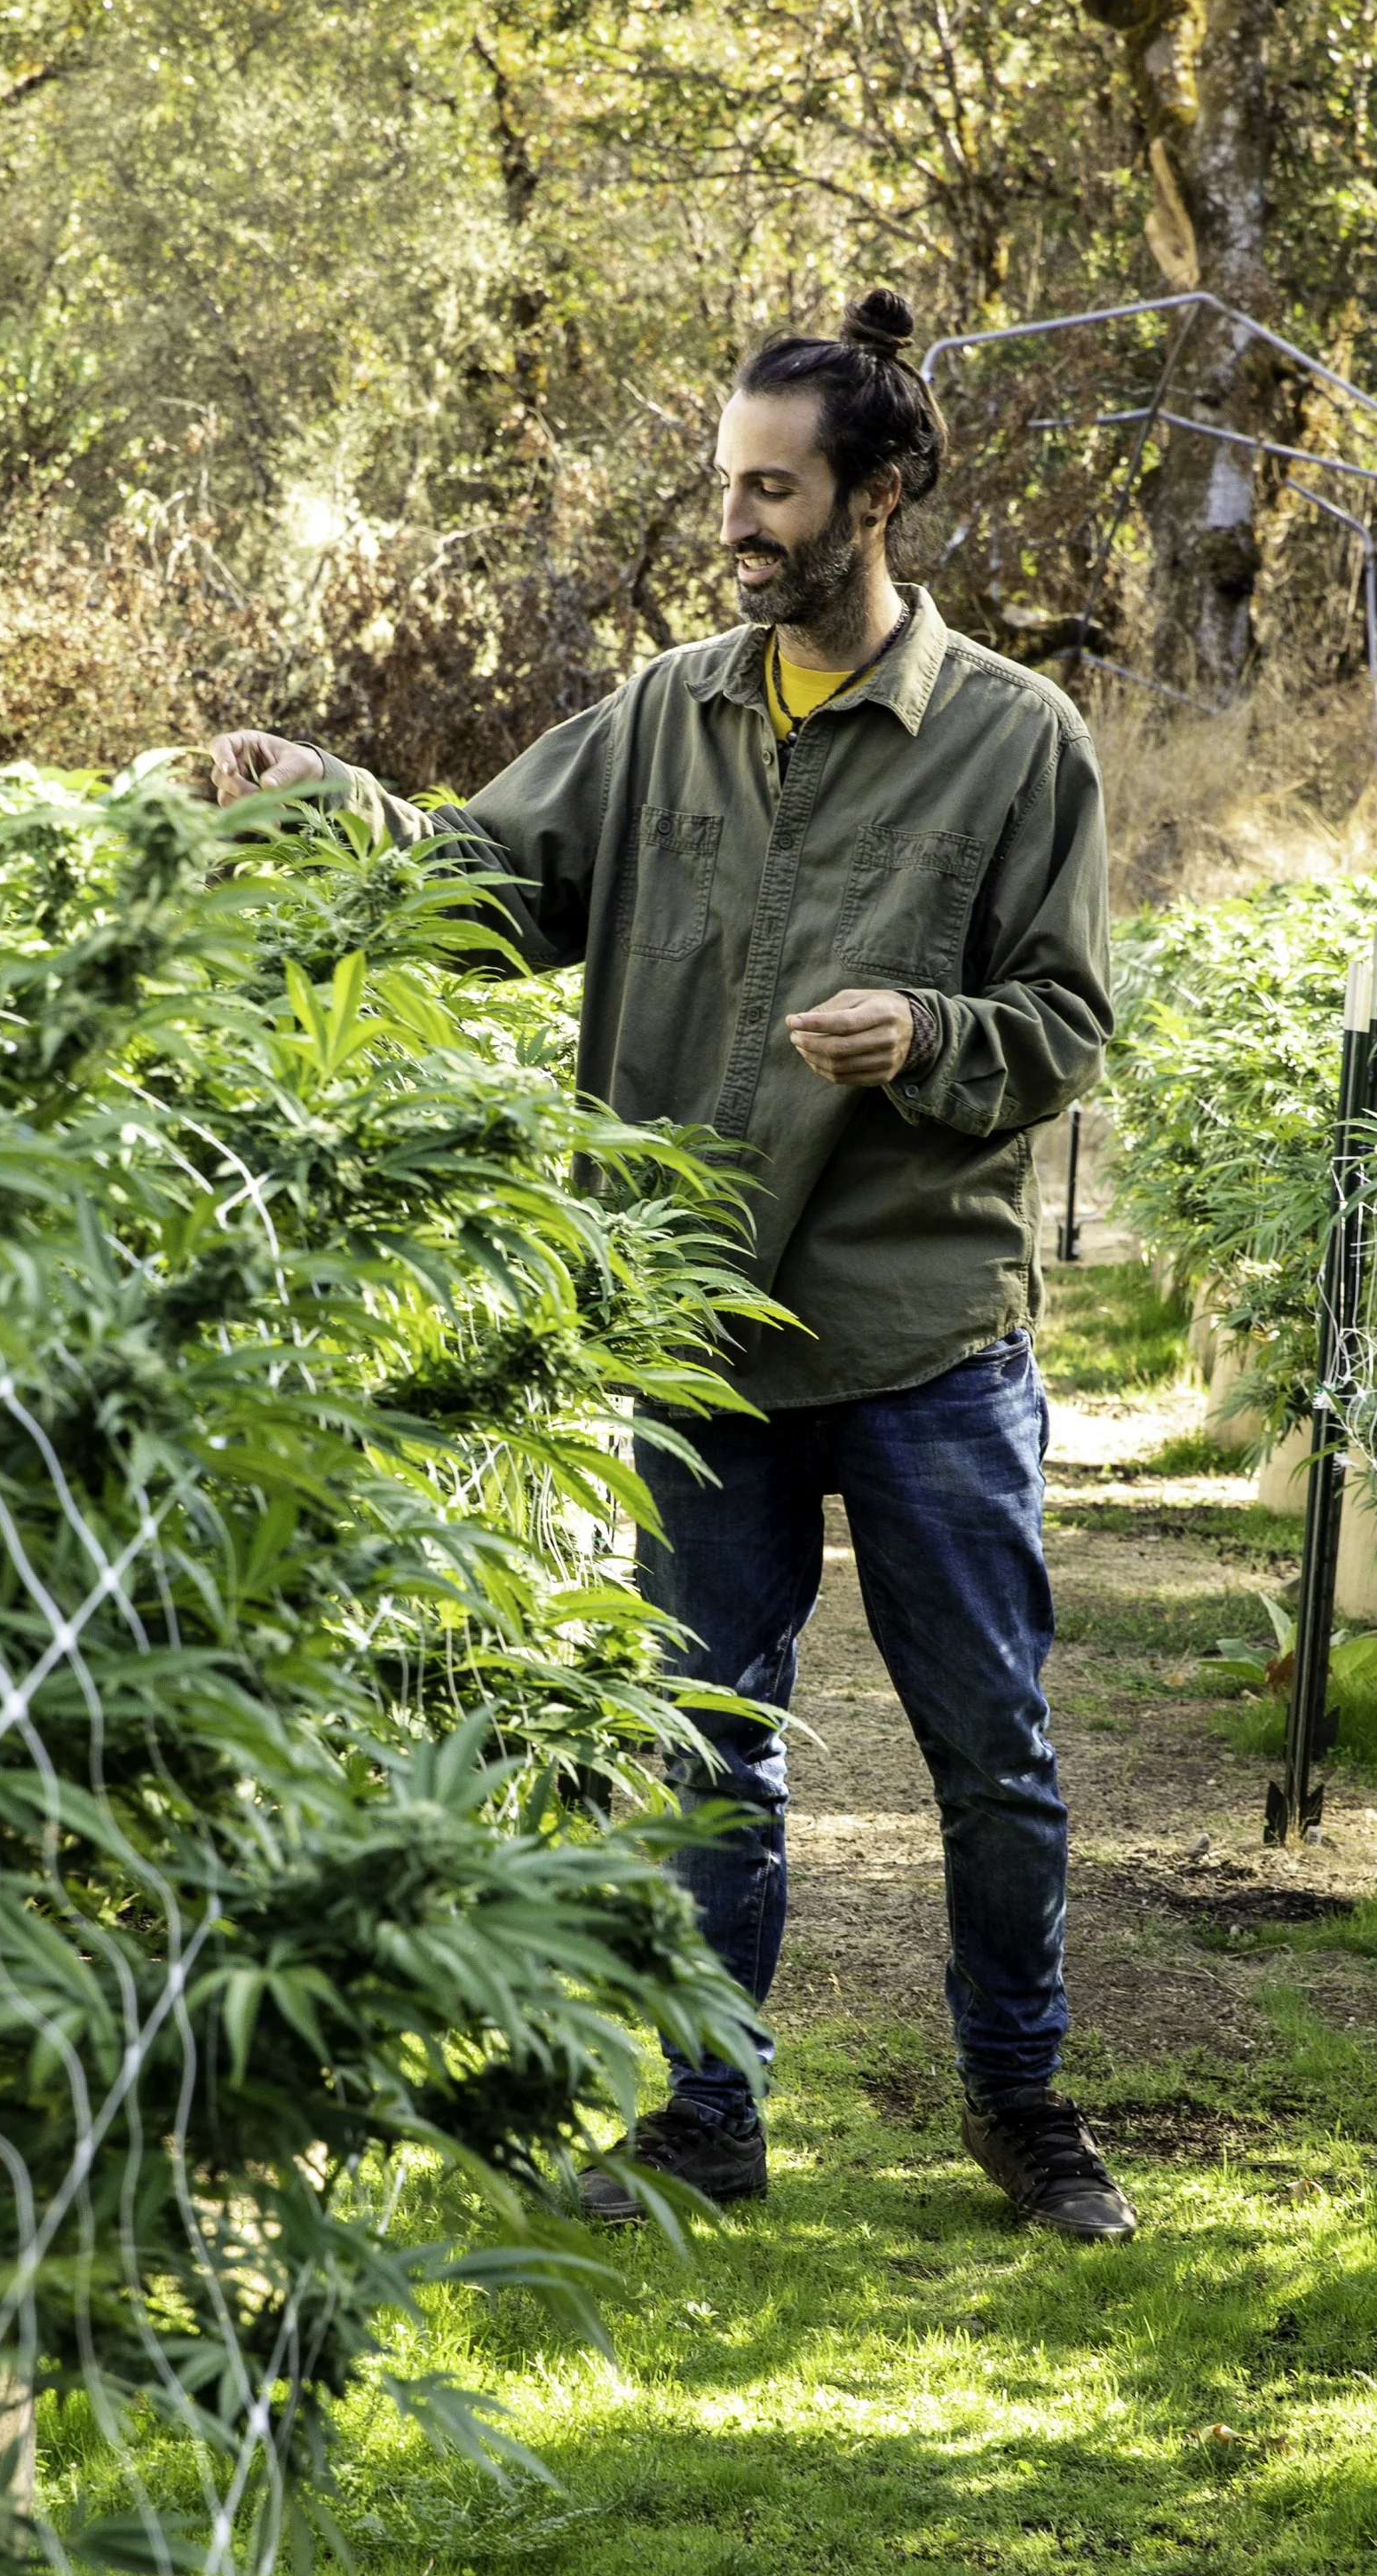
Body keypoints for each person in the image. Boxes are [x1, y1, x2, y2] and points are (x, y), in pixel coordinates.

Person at [210, 285, 1136, 2245]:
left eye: (775, 491)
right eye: (726, 485)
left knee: (994, 1755)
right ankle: (706, 2113)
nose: (737, 524)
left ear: (876, 498)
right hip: (694, 1328)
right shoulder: (659, 719)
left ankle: (1021, 2104)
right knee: (707, 1751)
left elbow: (1063, 1027)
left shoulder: (1009, 745)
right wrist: (325, 808)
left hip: (917, 1338)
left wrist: (931, 1042)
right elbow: (476, 891)